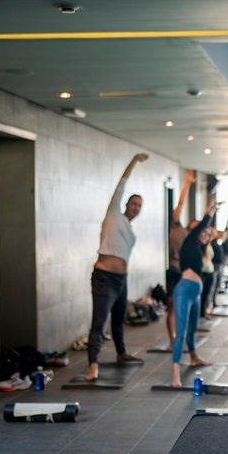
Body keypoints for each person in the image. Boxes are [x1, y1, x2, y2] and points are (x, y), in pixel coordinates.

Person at [85, 153, 148, 382]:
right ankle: (93, 365)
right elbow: (121, 184)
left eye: (139, 205)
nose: (136, 207)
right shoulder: (113, 214)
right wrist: (134, 160)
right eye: (133, 203)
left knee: (119, 319)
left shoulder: (130, 230)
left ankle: (121, 354)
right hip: (104, 277)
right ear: (125, 204)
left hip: (121, 280)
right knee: (99, 321)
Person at [171, 199, 217, 387]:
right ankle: (175, 374)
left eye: (208, 234)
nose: (206, 235)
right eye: (204, 232)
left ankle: (194, 357)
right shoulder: (189, 241)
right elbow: (201, 227)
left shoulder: (198, 250)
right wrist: (210, 211)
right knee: (181, 333)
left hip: (195, 293)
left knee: (192, 330)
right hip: (184, 290)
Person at [165, 169, 196, 351]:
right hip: (173, 270)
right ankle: (172, 340)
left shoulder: (183, 230)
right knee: (172, 306)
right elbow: (181, 203)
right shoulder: (170, 228)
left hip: (185, 271)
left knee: (184, 307)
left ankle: (183, 338)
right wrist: (187, 183)